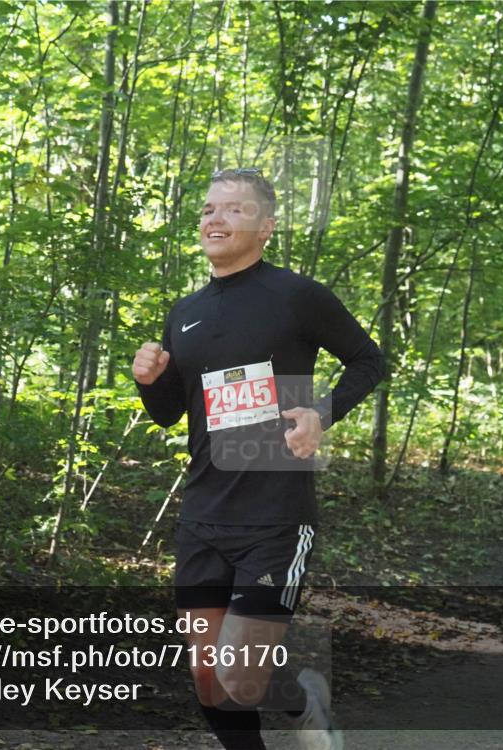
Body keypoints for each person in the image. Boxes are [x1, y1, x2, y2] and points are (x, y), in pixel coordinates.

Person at [132, 168, 387, 750]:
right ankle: (285, 716)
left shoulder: (296, 296)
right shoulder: (186, 311)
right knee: (209, 678)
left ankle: (301, 703)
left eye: (233, 210)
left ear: (266, 226)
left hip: (274, 516)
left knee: (238, 674)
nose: (214, 219)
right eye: (207, 210)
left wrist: (321, 413)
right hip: (202, 515)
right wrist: (150, 380)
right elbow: (170, 413)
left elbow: (368, 361)